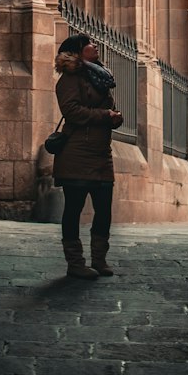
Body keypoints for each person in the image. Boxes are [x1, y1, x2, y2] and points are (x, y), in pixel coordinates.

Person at [53, 33, 123, 279]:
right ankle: (75, 263)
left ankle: (99, 259)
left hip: (101, 154)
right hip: (77, 154)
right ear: (79, 51)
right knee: (74, 208)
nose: (95, 46)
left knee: (104, 210)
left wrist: (115, 117)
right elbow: (71, 111)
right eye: (90, 44)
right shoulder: (70, 78)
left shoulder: (100, 76)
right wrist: (105, 116)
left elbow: (108, 107)